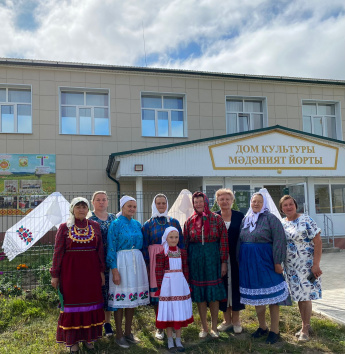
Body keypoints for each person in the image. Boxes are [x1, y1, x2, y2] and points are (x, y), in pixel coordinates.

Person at [50, 197, 105, 353]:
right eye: (78, 207)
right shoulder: (64, 227)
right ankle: (72, 342)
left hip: (91, 273)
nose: (81, 210)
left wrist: (101, 272)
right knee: (72, 305)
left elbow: (100, 250)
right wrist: (55, 274)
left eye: (84, 207)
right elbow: (58, 252)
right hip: (70, 274)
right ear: (72, 209)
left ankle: (89, 339)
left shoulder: (94, 226)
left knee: (91, 302)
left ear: (88, 210)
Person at [239, 189, 288, 345]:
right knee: (257, 295)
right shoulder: (246, 219)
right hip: (249, 262)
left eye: (259, 201)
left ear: (264, 204)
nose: (256, 204)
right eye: (254, 201)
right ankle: (262, 327)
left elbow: (280, 240)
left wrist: (278, 262)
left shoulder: (271, 219)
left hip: (266, 261)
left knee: (272, 296)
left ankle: (275, 331)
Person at [183, 191, 228, 338]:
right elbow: (186, 244)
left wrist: (223, 262)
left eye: (200, 201)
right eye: (195, 202)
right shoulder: (189, 221)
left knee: (213, 294)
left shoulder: (217, 219)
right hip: (196, 261)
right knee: (200, 295)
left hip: (212, 258)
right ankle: (204, 327)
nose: (198, 204)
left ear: (206, 202)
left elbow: (223, 242)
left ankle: (214, 327)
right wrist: (187, 265)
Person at [107, 196, 150, 349]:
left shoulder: (137, 224)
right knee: (120, 301)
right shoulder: (115, 224)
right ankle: (118, 335)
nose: (132, 209)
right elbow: (111, 248)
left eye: (134, 206)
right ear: (122, 207)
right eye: (129, 206)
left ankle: (128, 333)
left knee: (131, 300)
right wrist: (114, 270)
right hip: (121, 262)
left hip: (136, 263)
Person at [279, 195, 322, 342]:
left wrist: (316, 264)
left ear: (295, 205)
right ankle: (305, 324)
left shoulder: (306, 219)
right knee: (299, 296)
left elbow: (318, 242)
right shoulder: (282, 223)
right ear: (282, 208)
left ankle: (305, 329)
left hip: (307, 266)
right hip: (291, 267)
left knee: (306, 296)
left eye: (291, 204)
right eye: (285, 205)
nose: (289, 207)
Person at [142, 193, 184, 340]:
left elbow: (181, 242)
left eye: (163, 203)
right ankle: (160, 326)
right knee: (158, 294)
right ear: (154, 205)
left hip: (172, 259)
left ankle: (173, 324)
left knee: (171, 294)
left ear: (167, 205)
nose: (161, 206)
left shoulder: (173, 222)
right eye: (158, 203)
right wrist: (148, 264)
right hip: (155, 260)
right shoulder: (148, 224)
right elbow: (145, 244)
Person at [155, 227, 193, 352]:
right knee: (169, 312)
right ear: (166, 238)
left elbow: (185, 270)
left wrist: (186, 285)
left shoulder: (182, 252)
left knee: (178, 310)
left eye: (176, 237)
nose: (174, 240)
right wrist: (160, 288)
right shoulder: (162, 254)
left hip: (179, 285)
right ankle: (170, 339)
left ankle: (178, 339)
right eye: (171, 237)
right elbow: (159, 272)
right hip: (168, 286)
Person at [215, 188, 245, 334]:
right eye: (221, 199)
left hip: (236, 257)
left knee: (235, 287)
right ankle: (226, 320)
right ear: (217, 202)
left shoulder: (240, 216)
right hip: (220, 257)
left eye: (227, 199)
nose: (224, 202)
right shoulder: (214, 217)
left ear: (232, 201)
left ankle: (236, 320)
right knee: (223, 286)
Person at [88, 191, 117, 337]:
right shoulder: (89, 218)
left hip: (111, 259)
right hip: (95, 260)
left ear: (107, 202)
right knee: (98, 291)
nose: (101, 202)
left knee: (109, 291)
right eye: (98, 200)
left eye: (104, 199)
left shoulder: (113, 218)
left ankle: (107, 322)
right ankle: (95, 322)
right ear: (93, 202)